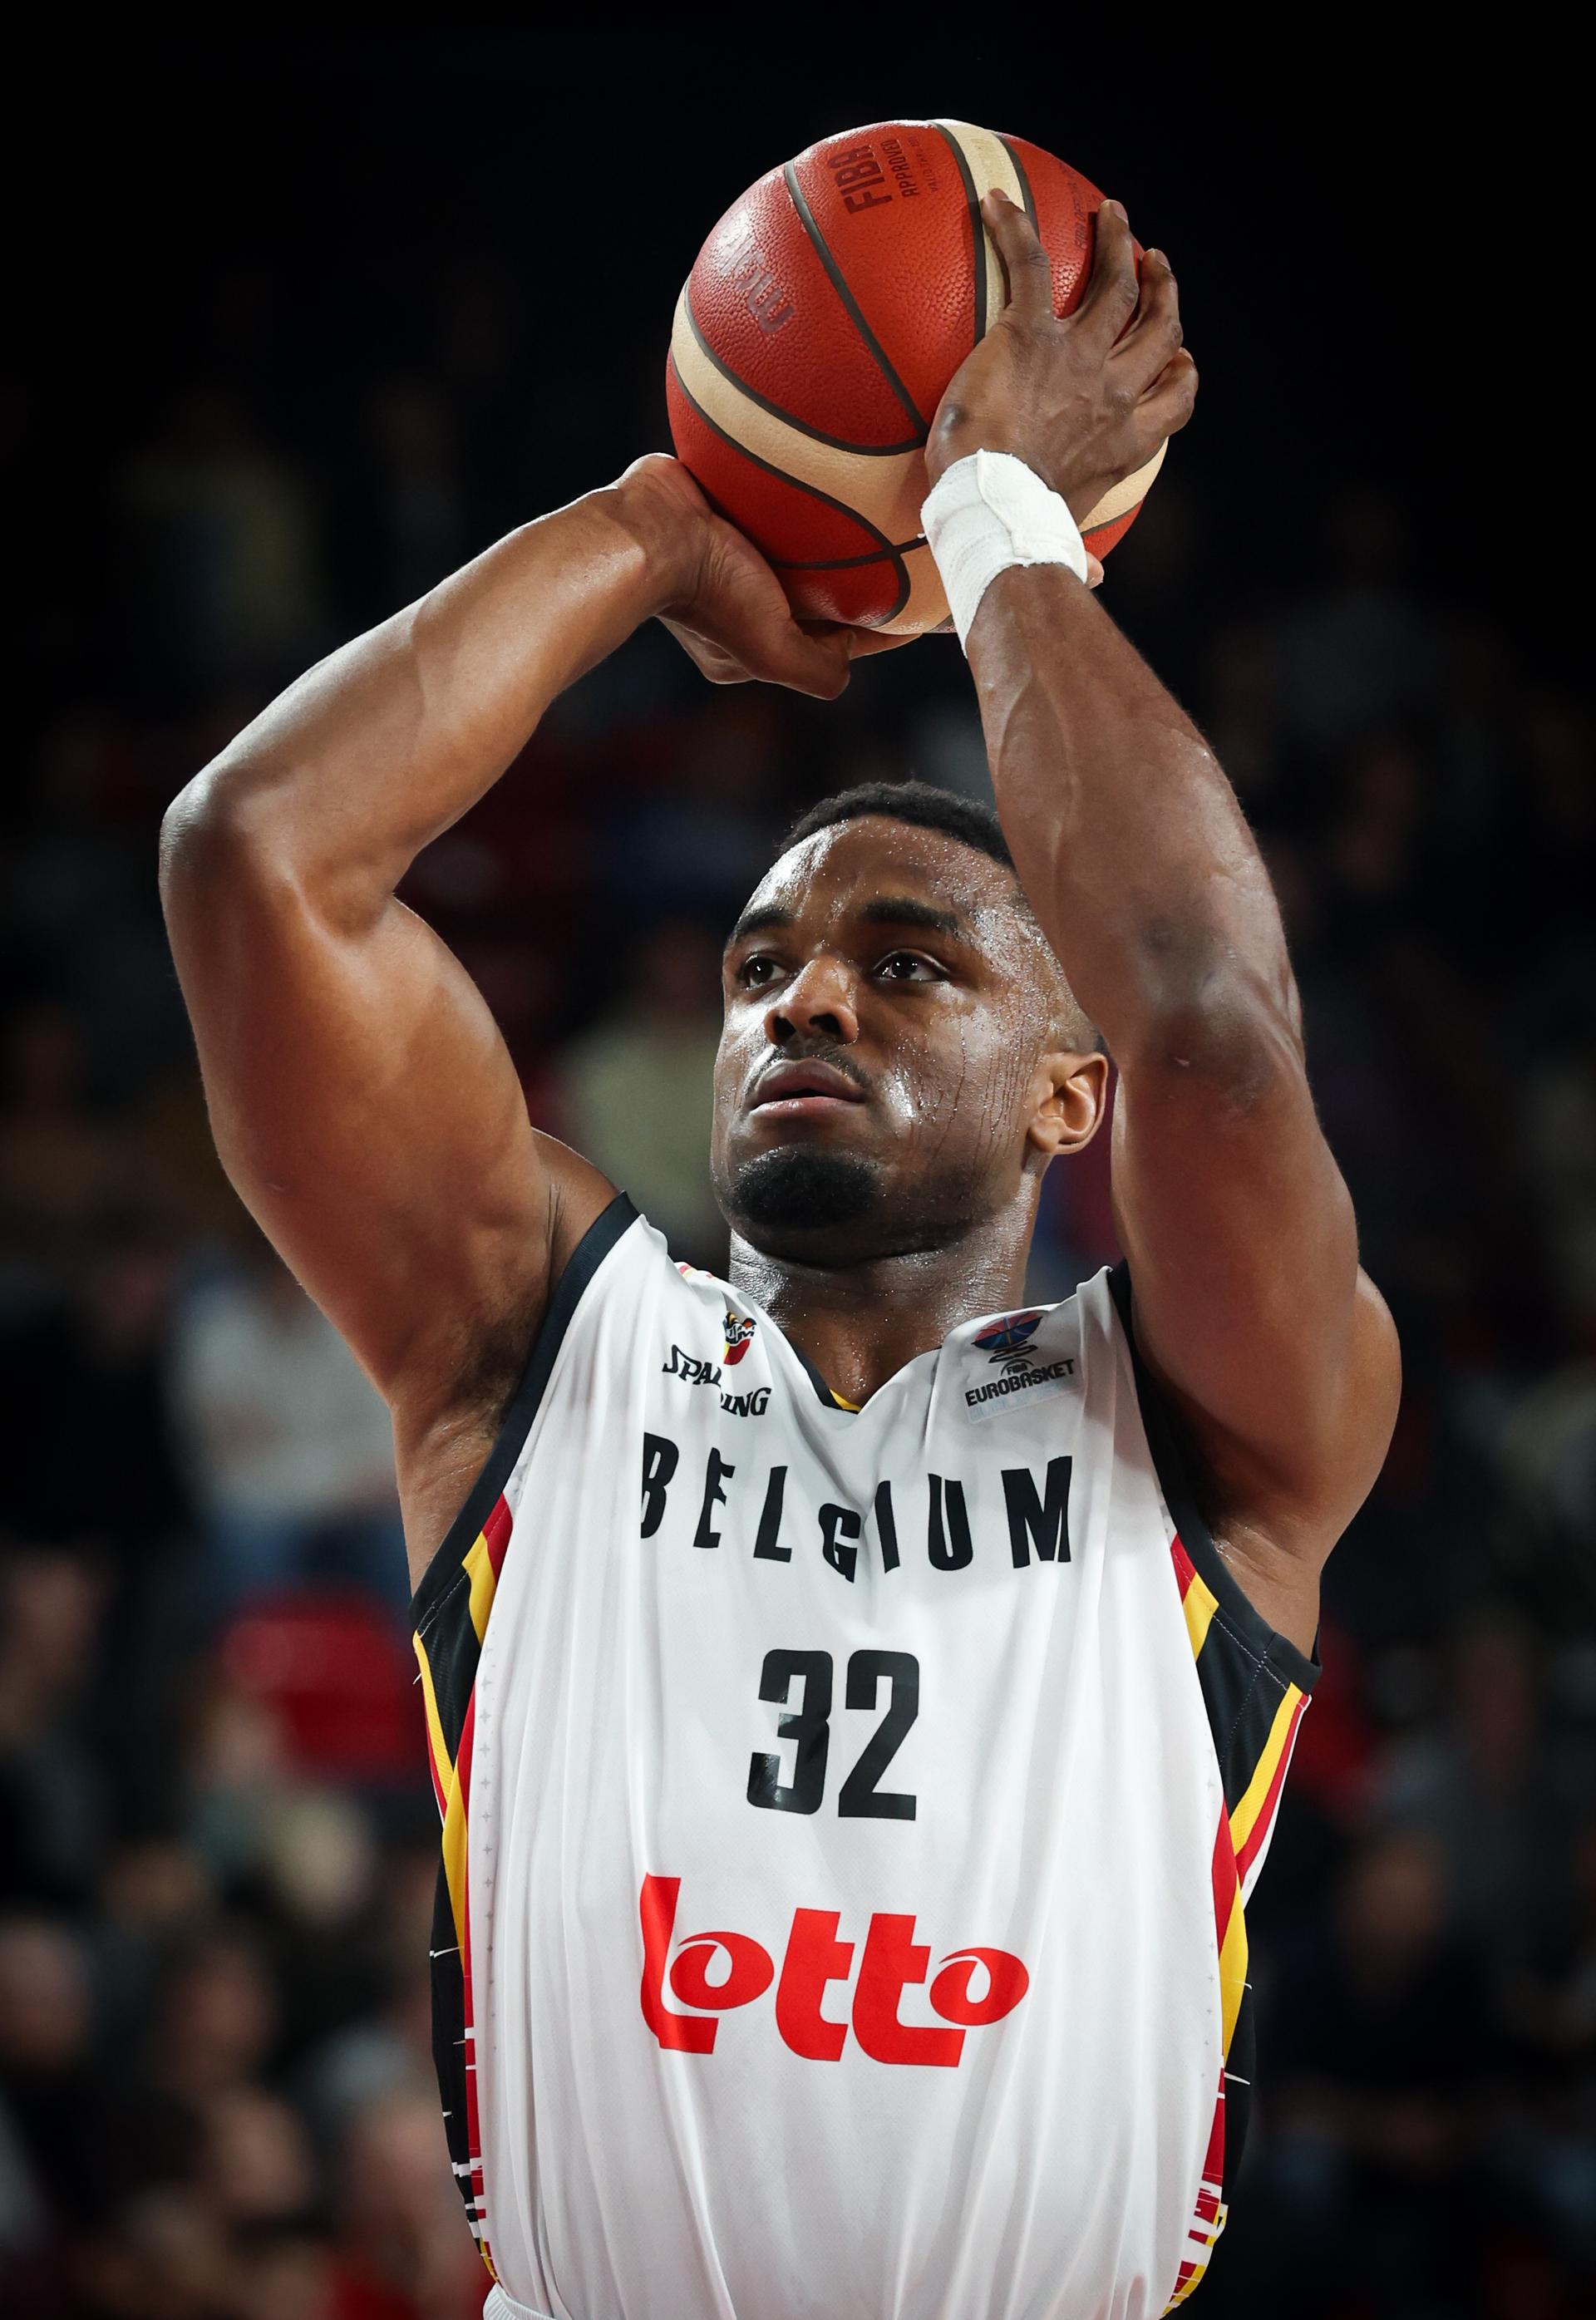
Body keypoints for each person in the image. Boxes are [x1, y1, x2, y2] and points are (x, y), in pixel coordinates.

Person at [160, 193, 1400, 2320]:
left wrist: (994, 511)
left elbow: (1206, 1016)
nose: (805, 998)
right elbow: (254, 857)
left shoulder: (1201, 1422)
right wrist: (652, 527)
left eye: (908, 964)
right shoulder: (542, 1341)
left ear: (1068, 1095)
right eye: (760, 969)